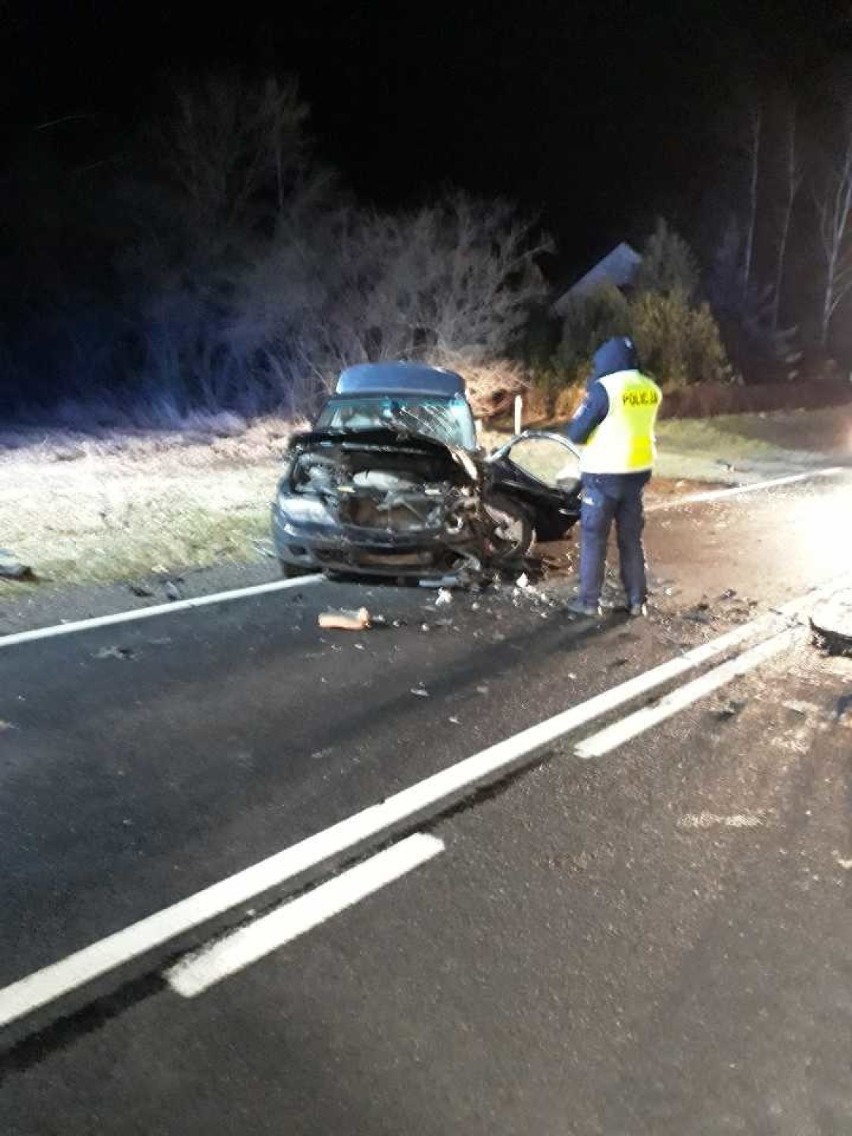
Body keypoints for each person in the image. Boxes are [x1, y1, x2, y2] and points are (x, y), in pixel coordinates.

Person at [564, 336, 662, 618]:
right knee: (631, 539)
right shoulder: (650, 388)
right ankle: (636, 601)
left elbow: (577, 432)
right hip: (637, 474)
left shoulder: (604, 389)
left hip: (604, 474)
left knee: (594, 536)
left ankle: (588, 602)